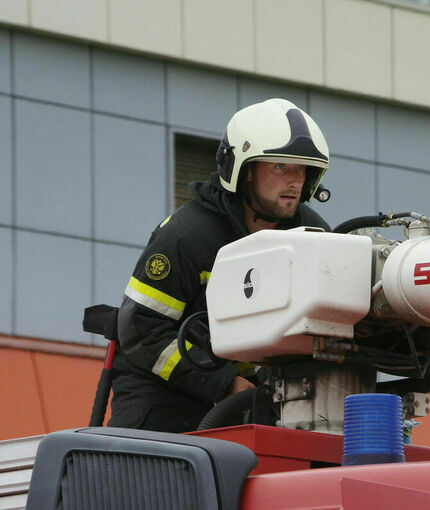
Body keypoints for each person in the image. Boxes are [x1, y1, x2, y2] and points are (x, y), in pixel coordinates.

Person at [108, 98, 331, 432]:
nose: (294, 181)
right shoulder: (188, 235)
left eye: (302, 169)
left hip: (249, 396)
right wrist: (222, 384)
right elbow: (140, 328)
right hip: (161, 397)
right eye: (280, 167)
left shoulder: (311, 235)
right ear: (245, 170)